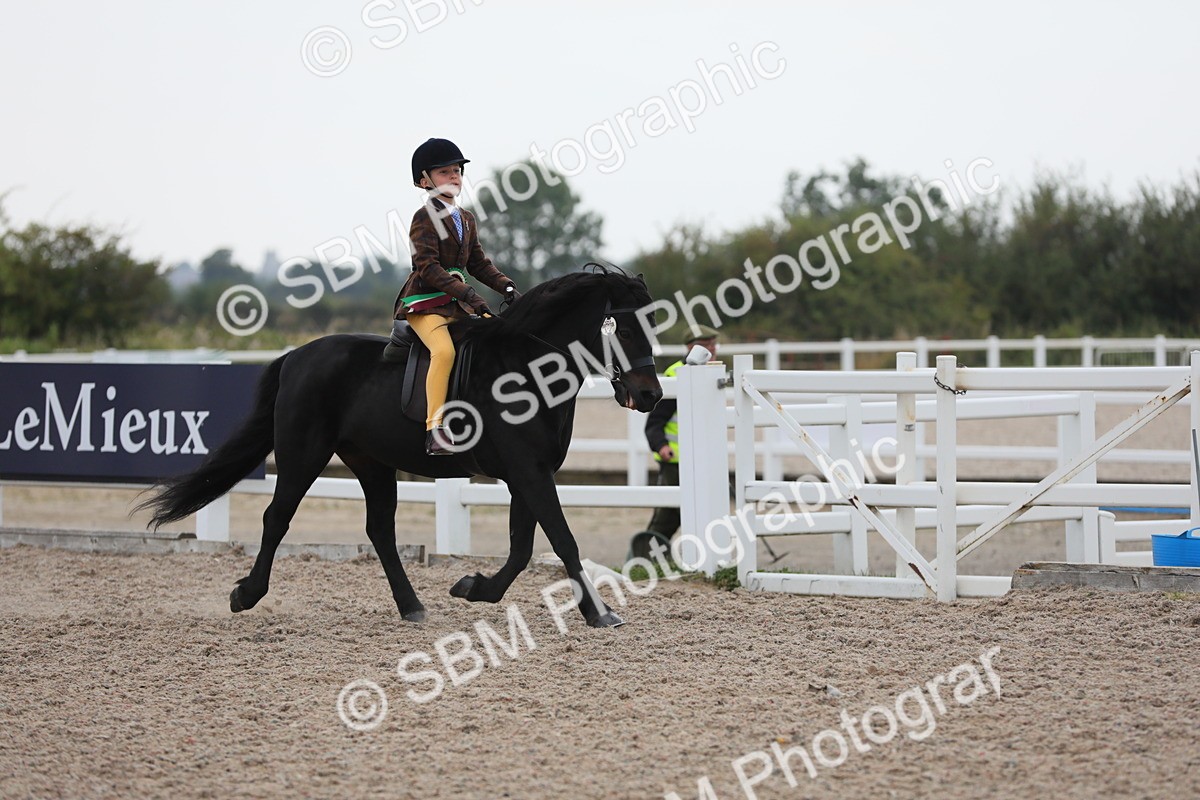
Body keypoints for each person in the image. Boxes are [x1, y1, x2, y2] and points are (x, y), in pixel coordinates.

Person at [392, 138, 519, 455]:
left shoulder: (466, 219)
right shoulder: (424, 218)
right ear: (424, 181)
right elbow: (428, 267)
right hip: (425, 305)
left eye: (457, 171)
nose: (454, 177)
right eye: (445, 172)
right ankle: (435, 429)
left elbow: (478, 264)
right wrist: (469, 293)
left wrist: (506, 286)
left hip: (458, 307)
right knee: (445, 353)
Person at [641, 325, 720, 540]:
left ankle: (650, 551)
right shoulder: (675, 374)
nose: (711, 349)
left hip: (701, 456)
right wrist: (661, 445)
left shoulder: (713, 372)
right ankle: (647, 551)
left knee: (683, 510)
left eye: (713, 344)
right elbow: (655, 421)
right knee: (672, 512)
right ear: (689, 347)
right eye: (705, 345)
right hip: (675, 457)